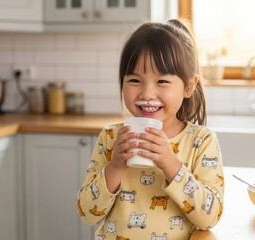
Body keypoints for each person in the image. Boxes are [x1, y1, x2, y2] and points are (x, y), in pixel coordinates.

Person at [77, 19, 224, 240]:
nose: (146, 93)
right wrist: (115, 166)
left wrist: (171, 164)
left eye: (162, 81)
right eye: (135, 80)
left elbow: (210, 217)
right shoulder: (110, 138)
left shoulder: (201, 141)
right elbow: (87, 213)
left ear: (188, 87)